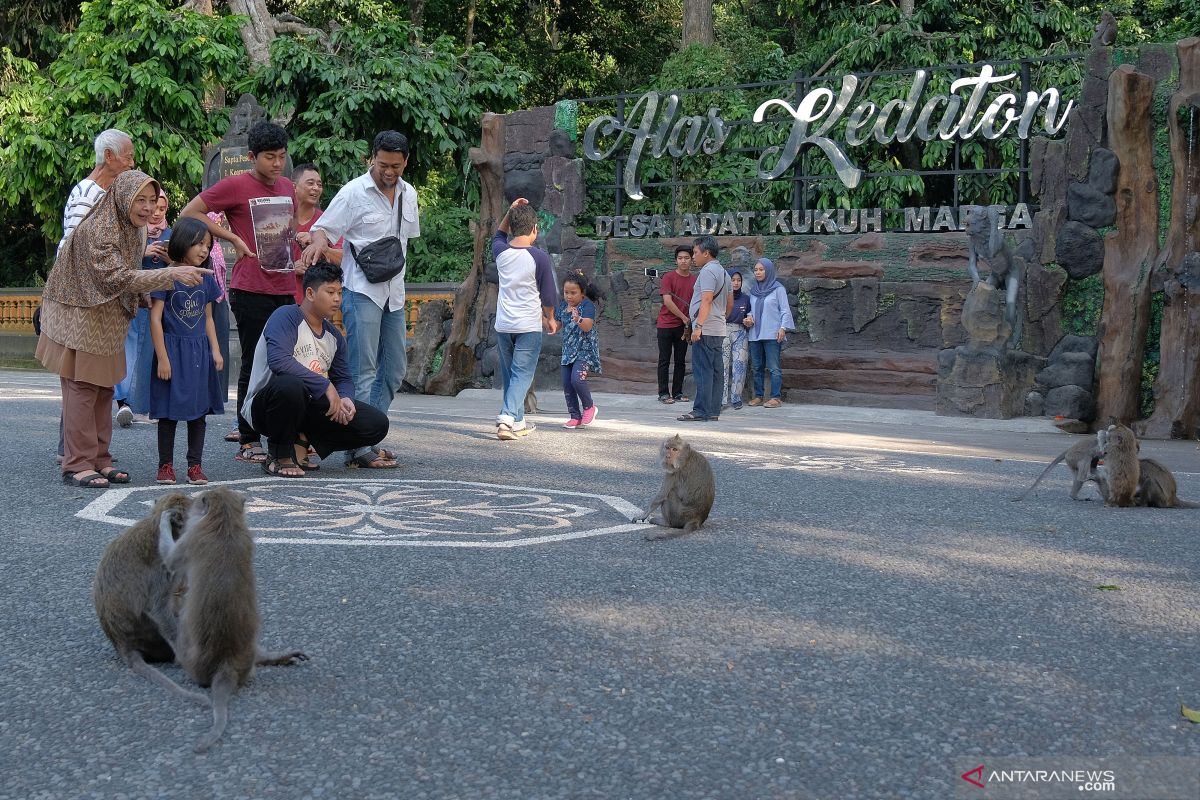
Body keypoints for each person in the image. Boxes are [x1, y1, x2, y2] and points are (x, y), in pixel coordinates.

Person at [36, 170, 210, 488]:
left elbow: (126, 273)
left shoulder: (133, 228)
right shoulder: (99, 229)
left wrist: (143, 295)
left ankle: (100, 460)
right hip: (79, 317)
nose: (146, 207)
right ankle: (76, 464)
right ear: (121, 197)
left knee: (104, 391)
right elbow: (116, 277)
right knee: (83, 391)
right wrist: (173, 275)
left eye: (151, 200)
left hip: (108, 320)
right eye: (139, 200)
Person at [180, 121, 296, 465]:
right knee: (253, 363)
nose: (277, 164)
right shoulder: (235, 184)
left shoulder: (288, 186)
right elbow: (191, 212)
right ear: (251, 157)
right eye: (270, 158)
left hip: (287, 286)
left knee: (286, 365)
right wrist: (230, 236)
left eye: (281, 156)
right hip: (250, 288)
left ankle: (282, 436)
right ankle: (248, 437)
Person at [300, 131, 415, 467]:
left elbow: (404, 245)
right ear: (372, 159)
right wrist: (317, 244)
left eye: (396, 165)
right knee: (363, 370)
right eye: (382, 165)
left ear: (405, 162)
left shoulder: (409, 195)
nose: (389, 172)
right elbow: (324, 229)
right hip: (362, 290)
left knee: (394, 369)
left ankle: (367, 435)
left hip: (395, 293)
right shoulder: (353, 193)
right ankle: (358, 449)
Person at [241, 262, 393, 477]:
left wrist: (346, 398)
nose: (337, 299)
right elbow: (279, 362)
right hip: (267, 406)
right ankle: (279, 454)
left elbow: (343, 377)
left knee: (376, 424)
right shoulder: (285, 316)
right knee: (291, 385)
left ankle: (302, 439)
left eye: (340, 292)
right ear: (310, 293)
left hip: (309, 406)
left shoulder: (334, 336)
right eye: (330, 292)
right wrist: (325, 385)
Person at [55, 128, 136, 454]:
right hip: (84, 300)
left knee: (96, 383)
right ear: (109, 156)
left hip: (100, 297)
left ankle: (84, 452)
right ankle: (75, 455)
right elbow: (76, 248)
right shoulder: (89, 193)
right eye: (128, 156)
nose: (132, 164)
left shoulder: (105, 194)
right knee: (83, 382)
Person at [148, 217, 225, 485]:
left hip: (198, 354)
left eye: (208, 245)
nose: (204, 250)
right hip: (172, 351)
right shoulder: (166, 276)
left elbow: (208, 319)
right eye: (199, 243)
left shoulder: (205, 279)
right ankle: (165, 466)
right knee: (168, 414)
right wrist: (162, 357)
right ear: (182, 241)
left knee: (198, 413)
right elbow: (155, 319)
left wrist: (215, 350)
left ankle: (195, 466)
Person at [491, 198, 558, 440]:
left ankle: (518, 421)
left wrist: (510, 211)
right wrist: (550, 317)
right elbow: (548, 294)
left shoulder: (500, 251)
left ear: (512, 227)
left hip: (504, 325)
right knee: (522, 374)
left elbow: (499, 233)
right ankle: (506, 419)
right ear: (534, 229)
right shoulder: (538, 257)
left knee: (511, 374)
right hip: (528, 325)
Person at [116, 190, 170, 427]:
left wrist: (169, 257)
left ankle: (144, 404)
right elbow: (117, 261)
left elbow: (182, 263)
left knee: (151, 351)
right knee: (130, 346)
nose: (156, 212)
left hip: (160, 299)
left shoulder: (171, 233)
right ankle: (125, 401)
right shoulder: (133, 231)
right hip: (134, 297)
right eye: (152, 206)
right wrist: (142, 250)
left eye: (161, 208)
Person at [677, 235, 732, 423]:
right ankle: (713, 410)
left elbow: (707, 299)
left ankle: (700, 410)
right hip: (718, 328)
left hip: (706, 328)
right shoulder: (724, 272)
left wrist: (698, 326)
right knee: (717, 371)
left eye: (695, 253)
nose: (693, 257)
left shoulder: (708, 271)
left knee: (703, 371)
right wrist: (719, 317)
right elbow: (729, 304)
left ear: (706, 253)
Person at [745, 257, 796, 408]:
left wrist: (783, 328)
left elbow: (785, 310)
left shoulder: (778, 288)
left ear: (769, 271)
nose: (758, 272)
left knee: (774, 367)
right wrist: (749, 318)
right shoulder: (754, 290)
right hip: (755, 334)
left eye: (761, 270)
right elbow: (751, 310)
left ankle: (775, 397)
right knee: (756, 367)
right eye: (756, 270)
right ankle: (759, 396)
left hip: (772, 333)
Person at [290, 163, 343, 303]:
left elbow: (344, 258)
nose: (316, 188)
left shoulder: (327, 221)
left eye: (319, 184)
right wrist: (291, 268)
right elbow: (266, 259)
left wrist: (319, 245)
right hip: (283, 298)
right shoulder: (280, 219)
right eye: (310, 183)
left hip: (316, 305)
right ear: (294, 187)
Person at [555, 272, 601, 429]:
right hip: (568, 352)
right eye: (566, 292)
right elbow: (556, 326)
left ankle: (589, 407)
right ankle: (575, 416)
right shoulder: (562, 306)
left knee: (577, 379)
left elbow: (587, 326)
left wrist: (578, 319)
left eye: (573, 293)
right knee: (567, 383)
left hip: (584, 351)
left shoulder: (587, 306)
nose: (569, 296)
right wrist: (543, 317)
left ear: (582, 293)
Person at [656, 245, 696, 404]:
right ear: (676, 260)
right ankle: (663, 393)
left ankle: (678, 392)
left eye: (686, 258)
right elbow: (667, 301)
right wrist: (684, 317)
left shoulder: (695, 280)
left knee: (680, 360)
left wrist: (689, 321)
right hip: (665, 324)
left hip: (683, 327)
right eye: (680, 258)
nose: (683, 261)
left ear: (692, 260)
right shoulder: (668, 277)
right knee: (664, 359)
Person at [722, 267, 752, 410]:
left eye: (738, 280)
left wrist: (749, 321)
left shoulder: (746, 298)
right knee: (722, 366)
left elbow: (749, 315)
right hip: (723, 331)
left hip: (740, 332)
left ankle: (736, 398)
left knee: (740, 365)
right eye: (733, 280)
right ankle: (721, 399)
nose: (735, 283)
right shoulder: (721, 297)